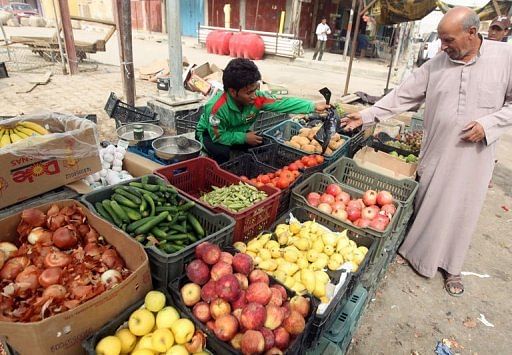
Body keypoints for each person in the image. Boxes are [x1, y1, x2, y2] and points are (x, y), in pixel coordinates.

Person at [341, 7, 512, 296]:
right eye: (441, 40)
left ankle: (451, 266)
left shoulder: (505, 57)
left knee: (463, 209)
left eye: (448, 40)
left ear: (472, 33)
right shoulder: (437, 64)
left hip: (476, 155)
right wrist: (368, 115)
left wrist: (488, 124)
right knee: (428, 202)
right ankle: (416, 254)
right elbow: (403, 95)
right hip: (438, 148)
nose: (443, 47)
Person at [195, 58, 329, 164]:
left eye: (255, 89)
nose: (254, 95)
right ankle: (206, 153)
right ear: (232, 91)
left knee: (263, 145)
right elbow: (218, 136)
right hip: (210, 133)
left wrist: (312, 106)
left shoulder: (257, 98)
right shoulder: (216, 108)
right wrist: (244, 138)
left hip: (237, 131)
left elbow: (282, 103)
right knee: (221, 153)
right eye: (249, 92)